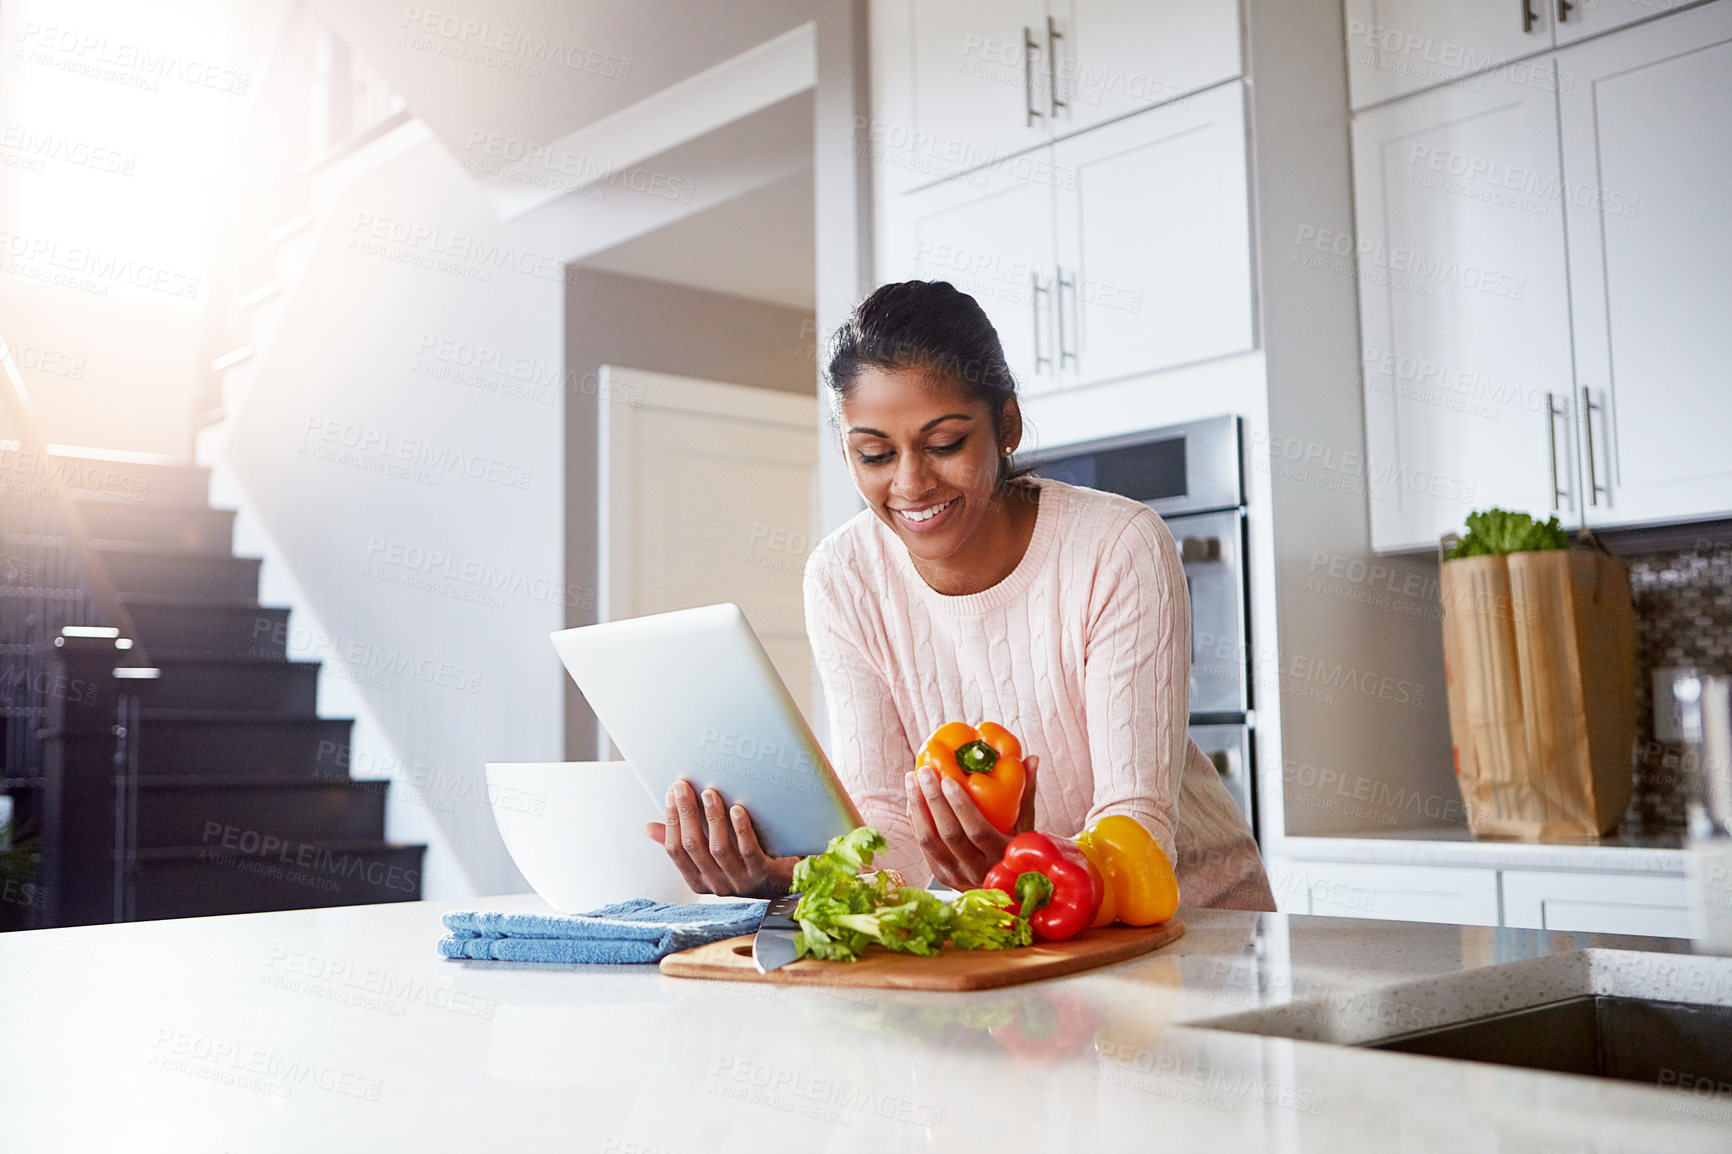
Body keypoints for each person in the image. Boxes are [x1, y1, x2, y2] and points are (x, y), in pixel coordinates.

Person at [645, 280, 1275, 910]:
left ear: (1007, 425)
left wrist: (1026, 865)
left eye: (944, 445)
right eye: (874, 454)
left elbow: (1135, 819)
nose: (911, 483)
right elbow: (888, 831)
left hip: (1195, 922)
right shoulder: (843, 577)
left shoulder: (1116, 545)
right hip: (1018, 928)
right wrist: (786, 880)